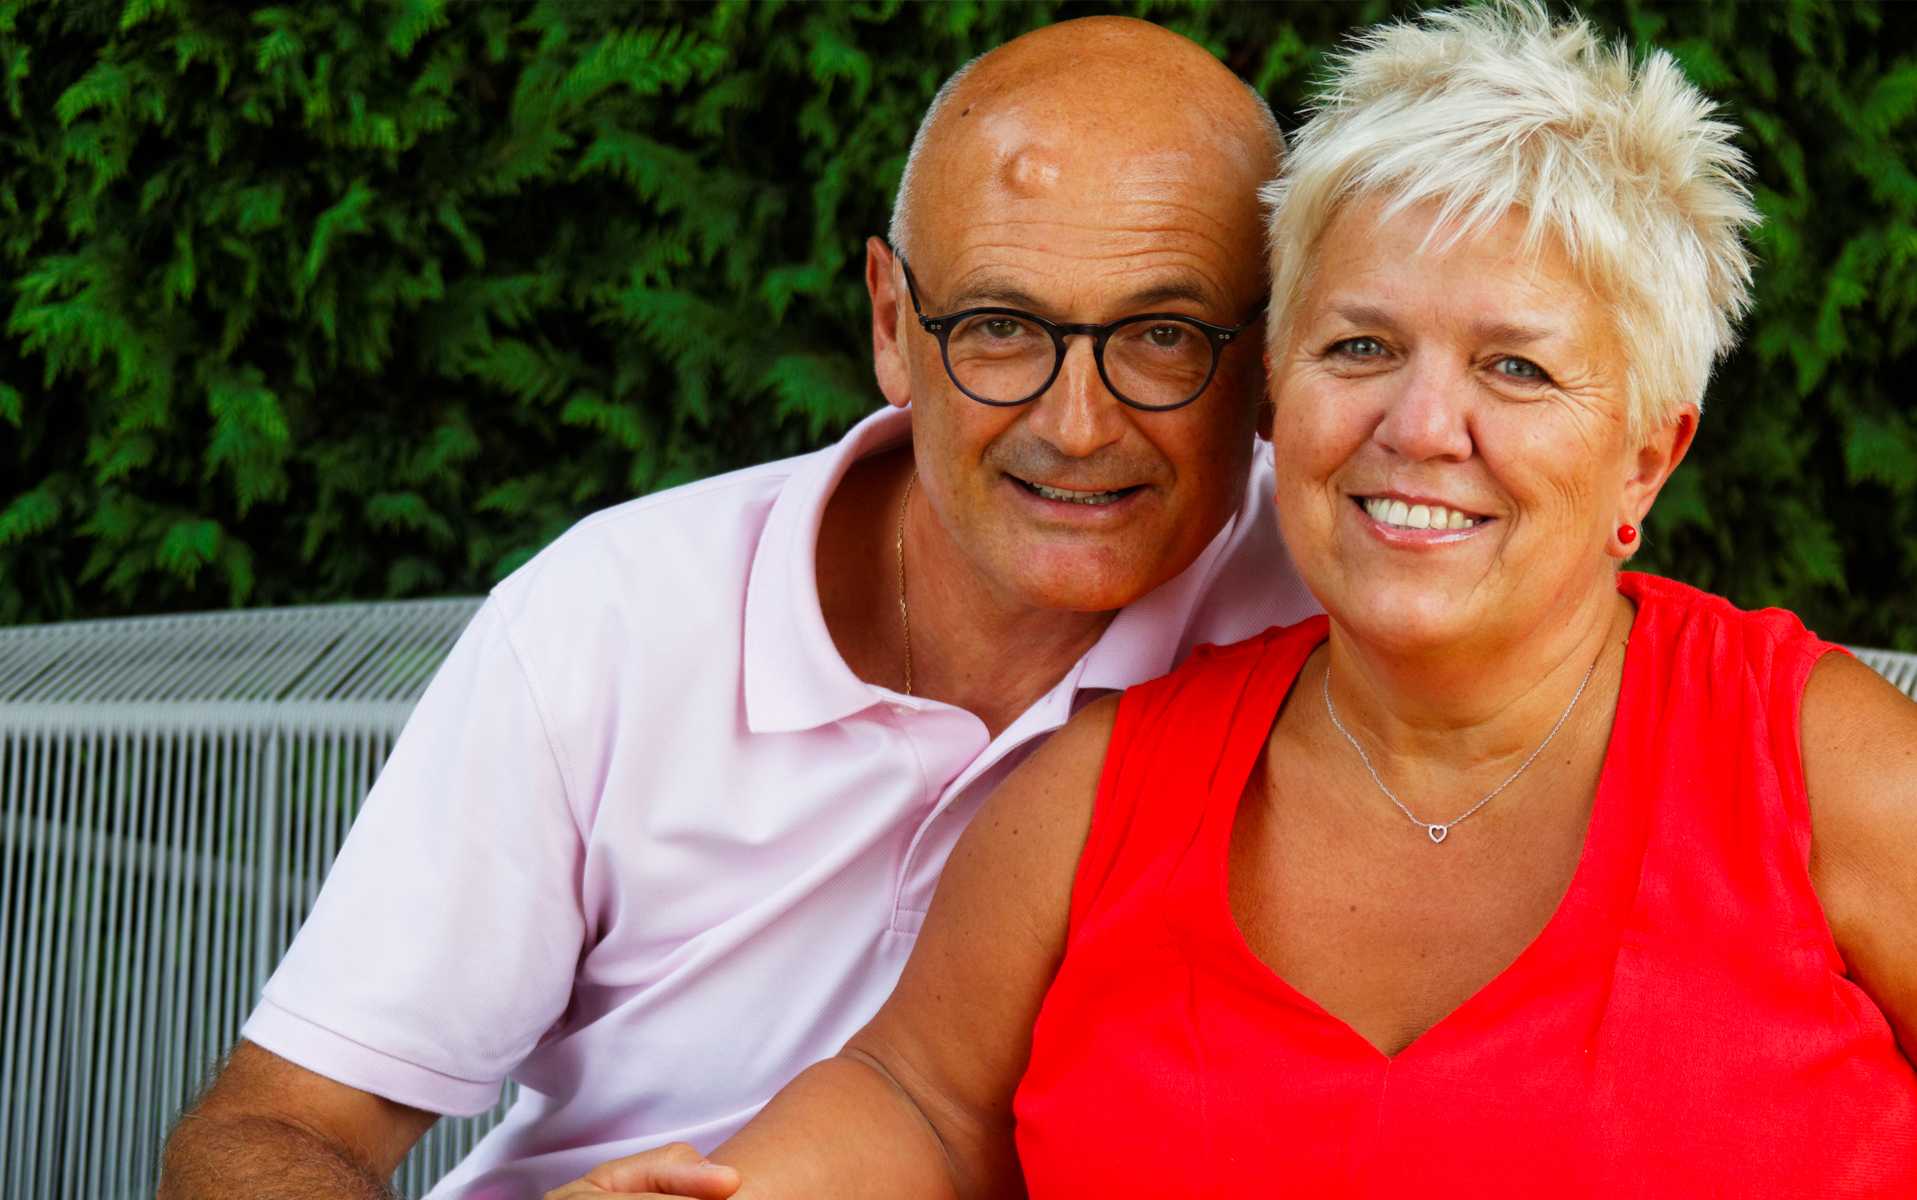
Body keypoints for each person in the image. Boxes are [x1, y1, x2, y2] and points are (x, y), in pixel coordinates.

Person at [556, 5, 1917, 1199]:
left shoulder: (1847, 796)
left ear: (1650, 449)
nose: (1417, 425)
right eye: (1360, 346)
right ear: (1271, 394)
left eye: (1515, 367)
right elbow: (915, 1098)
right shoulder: (1098, 794)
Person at [156, 18, 1320, 1199]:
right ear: (889, 323)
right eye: (1000, 329)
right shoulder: (608, 619)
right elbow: (274, 1131)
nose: (1077, 424)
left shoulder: (1342, 614)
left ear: (1273, 352)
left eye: (1165, 337)